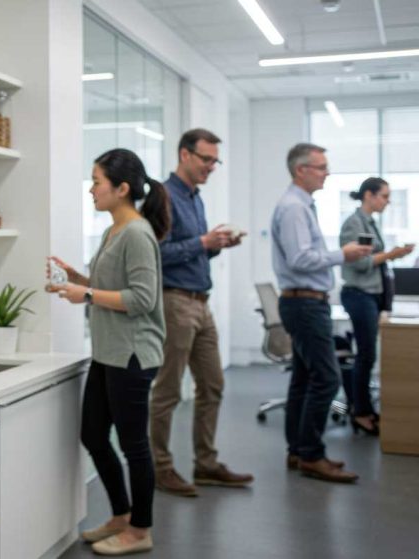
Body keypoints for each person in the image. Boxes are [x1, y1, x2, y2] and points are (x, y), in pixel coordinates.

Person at [48, 148, 169, 556]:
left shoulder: (136, 232)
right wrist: (76, 280)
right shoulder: (113, 231)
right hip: (109, 353)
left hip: (132, 356)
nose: (91, 190)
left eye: (97, 182)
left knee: (134, 445)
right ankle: (120, 515)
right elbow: (109, 288)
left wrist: (85, 293)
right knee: (93, 435)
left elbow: (142, 298)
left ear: (121, 188)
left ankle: (140, 529)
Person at [151, 129, 254, 497]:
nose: (211, 166)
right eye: (206, 159)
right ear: (184, 155)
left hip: (200, 301)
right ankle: (161, 468)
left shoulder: (195, 198)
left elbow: (193, 249)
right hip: (175, 302)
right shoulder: (162, 195)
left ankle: (206, 464)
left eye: (215, 160)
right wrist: (202, 243)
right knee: (168, 391)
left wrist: (216, 245)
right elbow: (155, 254)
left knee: (212, 385)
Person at [271, 143, 372, 483]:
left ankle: (298, 451)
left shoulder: (301, 205)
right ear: (301, 170)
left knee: (304, 378)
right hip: (304, 303)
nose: (326, 172)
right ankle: (311, 454)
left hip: (305, 301)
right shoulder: (294, 208)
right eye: (320, 167)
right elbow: (300, 259)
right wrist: (341, 255)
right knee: (327, 378)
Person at [338, 177, 415, 436]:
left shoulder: (370, 223)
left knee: (369, 353)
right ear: (369, 195)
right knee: (367, 354)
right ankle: (361, 412)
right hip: (359, 294)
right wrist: (392, 255)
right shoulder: (354, 223)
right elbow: (360, 263)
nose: (388, 201)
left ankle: (365, 408)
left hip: (371, 295)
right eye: (384, 195)